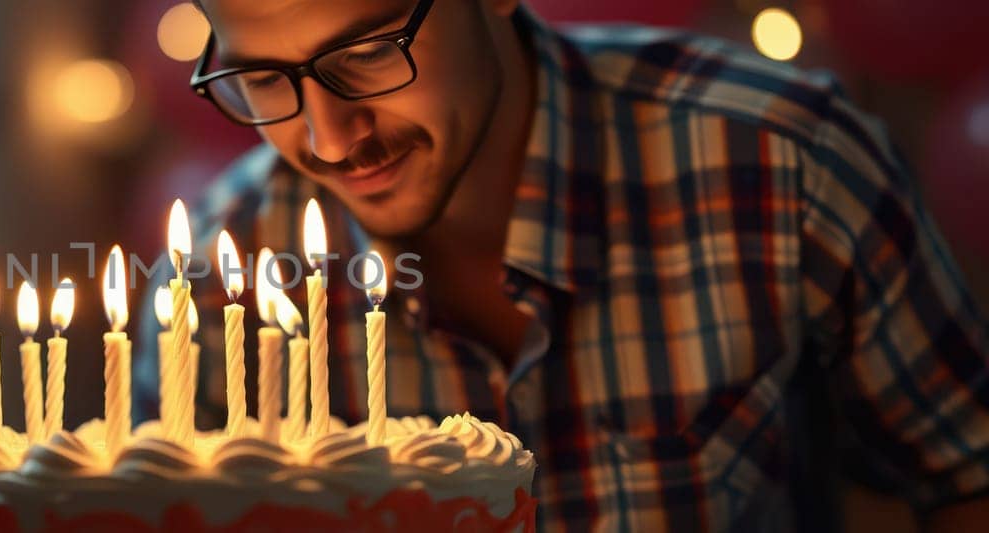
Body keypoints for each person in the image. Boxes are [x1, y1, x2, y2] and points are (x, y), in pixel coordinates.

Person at [132, 0, 989, 530]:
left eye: (367, 53)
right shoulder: (224, 272)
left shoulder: (780, 164)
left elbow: (967, 474)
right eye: (261, 79)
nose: (327, 137)